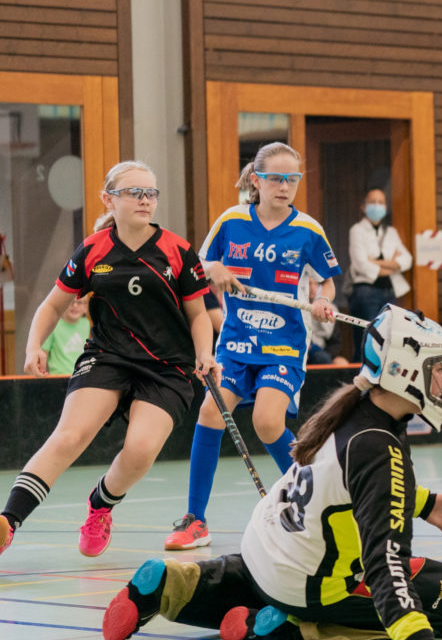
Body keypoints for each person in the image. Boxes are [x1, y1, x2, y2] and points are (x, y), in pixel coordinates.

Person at [102, 306, 442, 640]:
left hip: (260, 550)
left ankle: (175, 583)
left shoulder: (351, 410)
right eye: (439, 370)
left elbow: (355, 485)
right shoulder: (381, 450)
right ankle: (288, 627)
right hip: (303, 586)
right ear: (405, 372)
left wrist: (425, 502)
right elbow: (385, 560)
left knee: (279, 573)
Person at [1, 161, 216, 559]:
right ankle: (8, 522)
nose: (144, 200)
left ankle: (101, 503)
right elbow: (51, 306)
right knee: (69, 437)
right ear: (109, 199)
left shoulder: (178, 250)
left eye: (150, 193)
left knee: (140, 450)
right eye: (134, 192)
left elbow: (199, 314)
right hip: (107, 358)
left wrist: (205, 352)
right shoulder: (93, 250)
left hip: (167, 368)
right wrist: (35, 346)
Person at [177, 142, 340, 551]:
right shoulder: (231, 221)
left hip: (284, 345)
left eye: (292, 180)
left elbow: (326, 279)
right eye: (275, 179)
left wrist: (322, 299)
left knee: (268, 422)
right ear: (257, 180)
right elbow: (196, 268)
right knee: (211, 412)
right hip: (234, 342)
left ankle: (315, 498)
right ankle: (195, 520)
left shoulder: (308, 230)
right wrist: (211, 268)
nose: (284, 187)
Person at [347, 187, 412, 355]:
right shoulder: (357, 230)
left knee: (390, 341)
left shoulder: (391, 232)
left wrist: (376, 261)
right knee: (368, 340)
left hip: (389, 292)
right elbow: (361, 264)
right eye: (373, 202)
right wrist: (392, 264)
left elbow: (407, 260)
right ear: (364, 207)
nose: (377, 206)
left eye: (381, 202)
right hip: (366, 291)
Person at [40, 296, 90, 374]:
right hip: (58, 378)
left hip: (80, 378)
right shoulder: (52, 325)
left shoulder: (86, 324)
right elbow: (42, 356)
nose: (75, 306)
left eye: (79, 302)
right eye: (71, 302)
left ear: (85, 307)